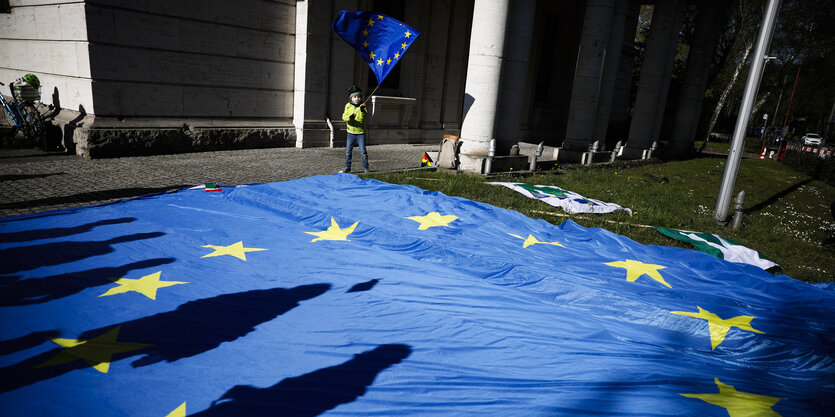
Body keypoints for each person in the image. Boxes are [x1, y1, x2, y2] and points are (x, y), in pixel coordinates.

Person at [340, 85, 369, 173]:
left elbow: (363, 117)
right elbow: (344, 117)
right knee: (348, 150)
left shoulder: (362, 106)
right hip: (350, 132)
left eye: (359, 97)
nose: (357, 99)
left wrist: (363, 110)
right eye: (355, 97)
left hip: (360, 133)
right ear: (351, 98)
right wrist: (350, 117)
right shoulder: (348, 106)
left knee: (363, 151)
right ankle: (347, 167)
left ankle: (366, 168)